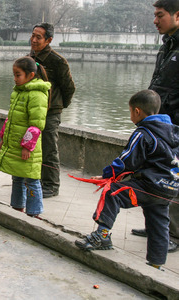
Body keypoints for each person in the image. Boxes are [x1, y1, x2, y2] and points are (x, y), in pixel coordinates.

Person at [75, 90, 179, 270]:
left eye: (130, 111)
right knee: (160, 224)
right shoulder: (174, 133)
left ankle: (102, 235)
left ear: (137, 111)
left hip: (149, 185)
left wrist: (107, 175)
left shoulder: (143, 133)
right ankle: (156, 264)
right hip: (169, 188)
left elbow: (126, 161)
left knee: (112, 192)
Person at [132, 0, 179, 253]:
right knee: (153, 175)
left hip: (175, 129)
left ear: (177, 15)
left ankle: (174, 234)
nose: (155, 20)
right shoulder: (167, 47)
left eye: (160, 15)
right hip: (159, 125)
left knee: (173, 178)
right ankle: (155, 226)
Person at [0, 57, 51, 217]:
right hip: (15, 144)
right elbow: (11, 118)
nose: (15, 78)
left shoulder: (37, 94)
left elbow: (36, 124)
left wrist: (27, 146)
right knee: (17, 177)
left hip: (28, 147)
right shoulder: (19, 92)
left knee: (32, 180)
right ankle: (17, 207)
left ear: (30, 75)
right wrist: (4, 138)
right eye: (14, 74)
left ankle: (34, 212)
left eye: (18, 75)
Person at [29, 23, 76, 198]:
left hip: (50, 112)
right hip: (33, 111)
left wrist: (58, 106)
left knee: (49, 148)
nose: (33, 40)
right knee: (33, 147)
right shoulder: (29, 58)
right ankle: (38, 180)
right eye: (33, 35)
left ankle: (52, 185)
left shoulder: (57, 61)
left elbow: (69, 88)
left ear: (49, 40)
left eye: (38, 37)